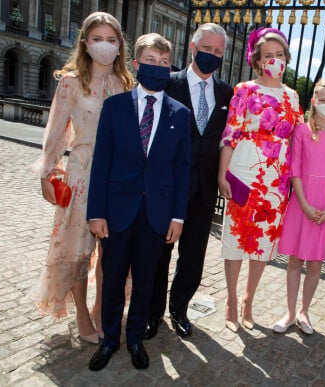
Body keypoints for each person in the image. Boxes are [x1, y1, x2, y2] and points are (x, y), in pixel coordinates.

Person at [86, 33, 191, 371]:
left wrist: (178, 217)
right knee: (113, 277)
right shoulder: (115, 107)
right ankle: (108, 340)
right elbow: (101, 162)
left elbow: (182, 169)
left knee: (146, 280)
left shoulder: (180, 114)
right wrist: (95, 213)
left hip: (157, 214)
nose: (157, 67)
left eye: (163, 62)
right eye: (150, 60)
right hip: (116, 211)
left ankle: (135, 339)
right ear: (136, 63)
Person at [31, 11, 133, 344]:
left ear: (120, 45)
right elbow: (55, 130)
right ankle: (81, 315)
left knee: (110, 250)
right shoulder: (71, 81)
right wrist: (47, 172)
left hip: (117, 177)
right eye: (97, 39)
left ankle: (102, 309)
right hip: (81, 173)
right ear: (85, 43)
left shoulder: (126, 84)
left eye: (111, 40)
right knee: (77, 249)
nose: (105, 46)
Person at [145, 23, 233, 340]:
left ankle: (179, 309)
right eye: (206, 49)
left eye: (218, 51)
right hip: (167, 188)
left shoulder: (227, 93)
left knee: (193, 257)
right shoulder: (168, 83)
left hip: (205, 191)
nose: (212, 55)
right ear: (193, 48)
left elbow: (228, 139)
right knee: (159, 253)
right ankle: (152, 313)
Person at [218, 27, 303, 333]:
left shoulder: (292, 96)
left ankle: (248, 301)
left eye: (279, 55)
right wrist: (222, 173)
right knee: (237, 239)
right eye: (268, 55)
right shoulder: (244, 89)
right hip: (244, 170)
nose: (275, 60)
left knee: (263, 243)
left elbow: (300, 139)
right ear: (257, 60)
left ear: (286, 58)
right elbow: (231, 133)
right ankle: (229, 301)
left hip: (276, 178)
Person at [273, 78, 325, 335]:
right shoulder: (302, 131)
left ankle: (304, 311)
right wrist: (304, 204)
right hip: (302, 201)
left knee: (316, 263)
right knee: (295, 260)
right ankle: (289, 311)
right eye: (323, 100)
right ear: (313, 101)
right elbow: (294, 168)